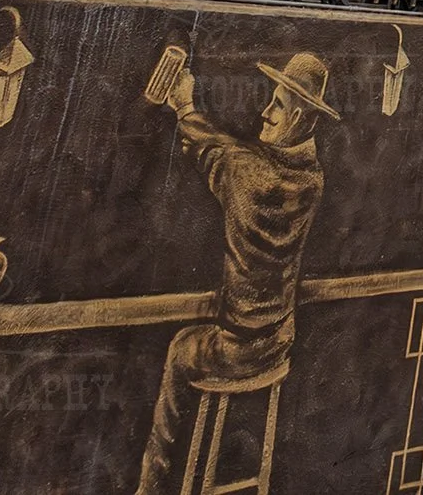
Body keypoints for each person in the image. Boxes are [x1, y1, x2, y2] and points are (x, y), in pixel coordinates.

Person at [135, 51, 336, 495]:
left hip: (239, 347)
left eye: (277, 105)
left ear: (299, 116)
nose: (265, 112)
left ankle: (150, 486)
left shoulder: (254, 175)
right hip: (280, 340)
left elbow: (215, 151)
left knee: (179, 348)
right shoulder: (312, 178)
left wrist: (185, 105)